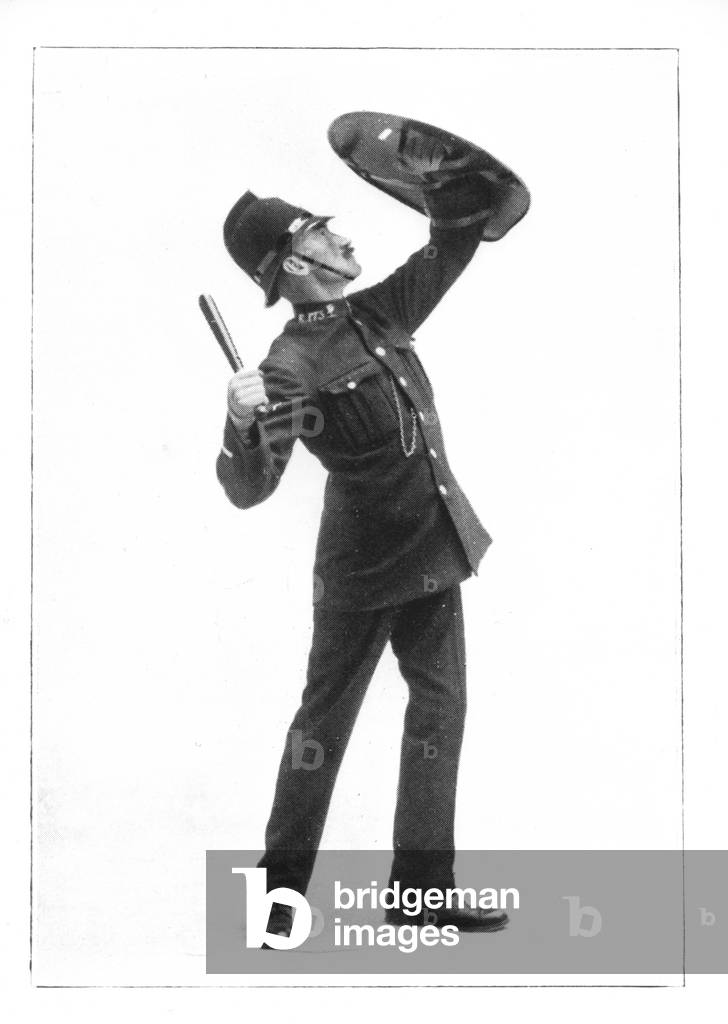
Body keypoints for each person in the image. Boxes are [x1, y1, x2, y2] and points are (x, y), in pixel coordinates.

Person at [216, 135, 507, 936]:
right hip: (359, 571)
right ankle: (278, 904)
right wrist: (242, 420)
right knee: (321, 730)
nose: (343, 238)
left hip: (431, 552)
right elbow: (249, 486)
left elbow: (450, 246)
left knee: (441, 713)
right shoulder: (290, 363)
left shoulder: (377, 311)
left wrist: (449, 182)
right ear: (297, 264)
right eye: (322, 232)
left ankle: (422, 893)